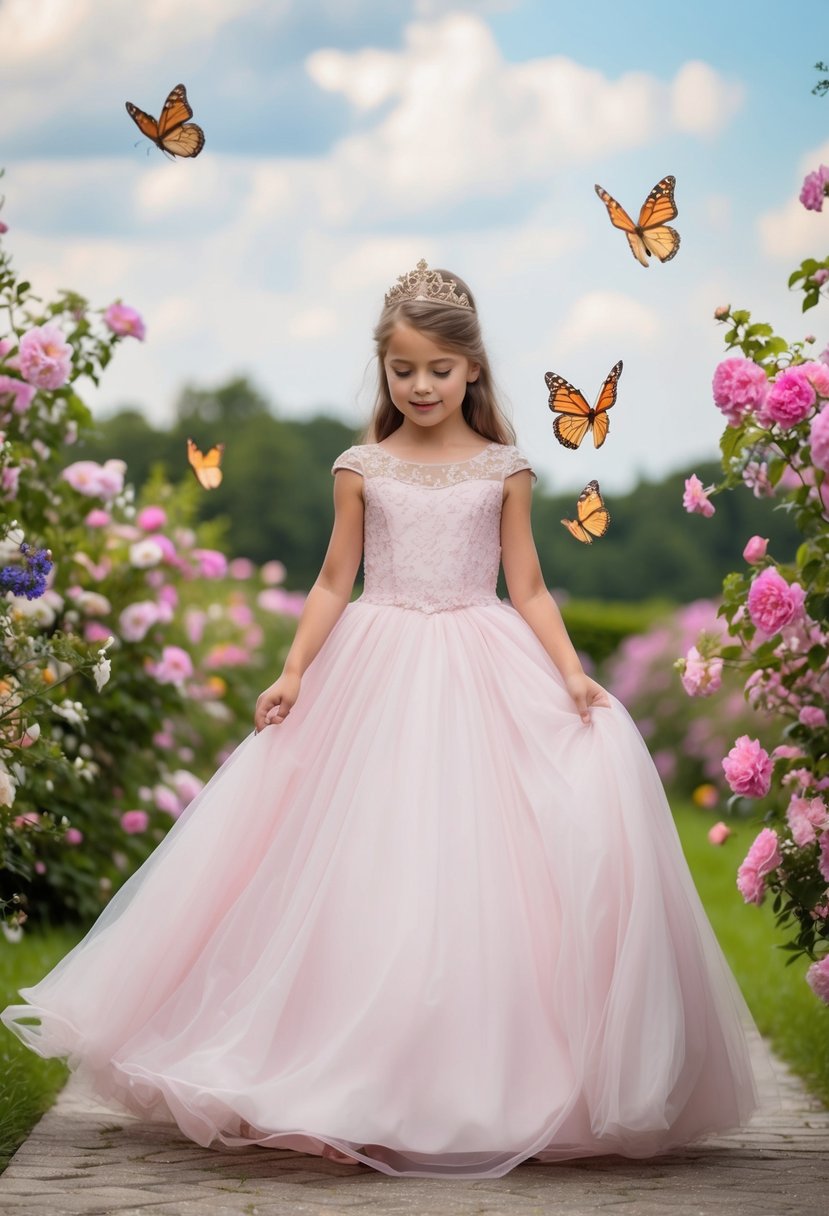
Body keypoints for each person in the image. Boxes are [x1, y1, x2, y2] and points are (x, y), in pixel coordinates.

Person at [2, 259, 758, 1179]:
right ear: (384, 370)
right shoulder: (361, 467)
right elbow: (333, 579)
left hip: (483, 662)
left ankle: (479, 1074)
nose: (422, 386)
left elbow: (525, 582)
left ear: (471, 369)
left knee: (478, 867)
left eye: (439, 370)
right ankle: (337, 1066)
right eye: (403, 370)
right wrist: (292, 671)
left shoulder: (505, 469)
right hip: (377, 662)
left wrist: (569, 671)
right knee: (364, 859)